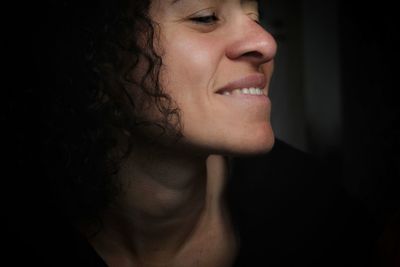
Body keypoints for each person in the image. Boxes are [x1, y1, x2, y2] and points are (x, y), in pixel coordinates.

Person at [3, 0, 379, 266]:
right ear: (98, 58)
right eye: (205, 17)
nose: (266, 43)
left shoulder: (314, 213)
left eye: (255, 14)